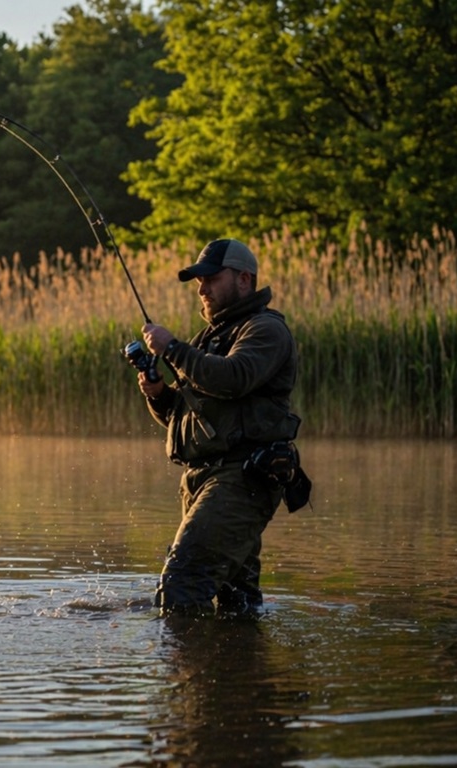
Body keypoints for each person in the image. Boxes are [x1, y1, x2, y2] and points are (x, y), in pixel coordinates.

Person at [135, 239, 306, 617]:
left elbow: (233, 377)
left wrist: (173, 349)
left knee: (180, 588)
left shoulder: (265, 330)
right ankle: (241, 670)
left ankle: (186, 673)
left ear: (244, 280)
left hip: (241, 479)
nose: (202, 288)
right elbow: (184, 418)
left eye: (211, 279)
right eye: (199, 281)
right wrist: (159, 394)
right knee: (237, 604)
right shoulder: (208, 339)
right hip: (203, 479)